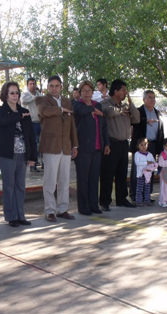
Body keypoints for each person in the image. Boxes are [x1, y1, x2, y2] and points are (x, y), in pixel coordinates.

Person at [0, 81, 37, 226]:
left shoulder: (24, 111)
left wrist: (33, 157)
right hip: (7, 154)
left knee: (20, 185)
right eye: (12, 93)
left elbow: (30, 136)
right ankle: (11, 216)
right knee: (9, 185)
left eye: (17, 92)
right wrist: (19, 116)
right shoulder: (0, 110)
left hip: (22, 153)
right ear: (5, 95)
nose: (15, 95)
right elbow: (3, 121)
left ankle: (20, 215)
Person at [36, 75, 79, 222]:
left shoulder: (67, 101)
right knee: (50, 180)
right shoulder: (42, 100)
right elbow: (43, 111)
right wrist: (60, 109)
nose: (54, 88)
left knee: (64, 180)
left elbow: (72, 124)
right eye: (51, 86)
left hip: (65, 146)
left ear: (61, 87)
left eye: (57, 85)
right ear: (47, 87)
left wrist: (74, 144)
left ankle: (62, 209)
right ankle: (49, 210)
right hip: (50, 146)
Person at [100, 79, 140, 210]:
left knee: (122, 173)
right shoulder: (105, 102)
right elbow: (108, 112)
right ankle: (105, 201)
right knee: (107, 173)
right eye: (123, 90)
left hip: (124, 143)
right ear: (116, 91)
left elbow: (136, 118)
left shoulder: (125, 105)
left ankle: (122, 198)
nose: (125, 92)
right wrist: (119, 111)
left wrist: (129, 101)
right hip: (111, 143)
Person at [72, 80, 110, 215]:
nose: (87, 93)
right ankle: (84, 207)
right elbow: (79, 111)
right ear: (80, 93)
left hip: (98, 147)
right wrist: (92, 110)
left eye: (89, 90)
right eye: (84, 91)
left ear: (93, 92)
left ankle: (94, 205)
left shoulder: (97, 105)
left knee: (94, 178)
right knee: (83, 178)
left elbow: (103, 126)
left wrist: (107, 143)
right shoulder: (77, 104)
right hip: (83, 148)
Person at [130, 90, 164, 200]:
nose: (152, 100)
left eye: (154, 97)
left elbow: (161, 132)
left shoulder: (158, 113)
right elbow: (133, 123)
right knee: (138, 171)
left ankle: (147, 195)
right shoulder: (139, 112)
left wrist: (160, 149)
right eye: (149, 97)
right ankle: (135, 195)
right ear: (144, 99)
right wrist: (146, 121)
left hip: (153, 146)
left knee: (149, 170)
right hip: (140, 146)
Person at [20, 77, 43, 173]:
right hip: (31, 123)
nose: (32, 86)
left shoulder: (40, 95)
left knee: (42, 144)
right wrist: (36, 97)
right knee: (33, 143)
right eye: (30, 84)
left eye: (34, 83)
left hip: (41, 122)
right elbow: (24, 101)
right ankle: (33, 165)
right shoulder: (24, 95)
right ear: (27, 85)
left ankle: (42, 163)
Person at [133, 138, 156, 206]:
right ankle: (139, 201)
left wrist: (151, 168)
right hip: (140, 174)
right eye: (141, 145)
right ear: (138, 146)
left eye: (145, 144)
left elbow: (153, 163)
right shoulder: (137, 154)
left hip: (148, 175)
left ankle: (147, 200)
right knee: (139, 188)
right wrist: (147, 163)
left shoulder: (150, 154)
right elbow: (137, 163)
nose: (143, 146)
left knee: (147, 188)